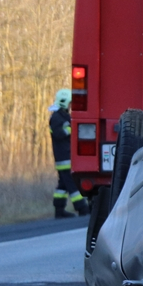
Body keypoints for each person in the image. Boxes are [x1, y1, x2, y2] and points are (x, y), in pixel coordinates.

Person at [49, 88, 89, 218]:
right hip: (63, 158)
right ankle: (82, 208)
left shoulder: (63, 116)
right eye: (70, 103)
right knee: (72, 184)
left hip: (66, 156)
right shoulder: (56, 118)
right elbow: (59, 134)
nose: (71, 106)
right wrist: (70, 129)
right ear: (64, 102)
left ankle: (59, 210)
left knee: (62, 185)